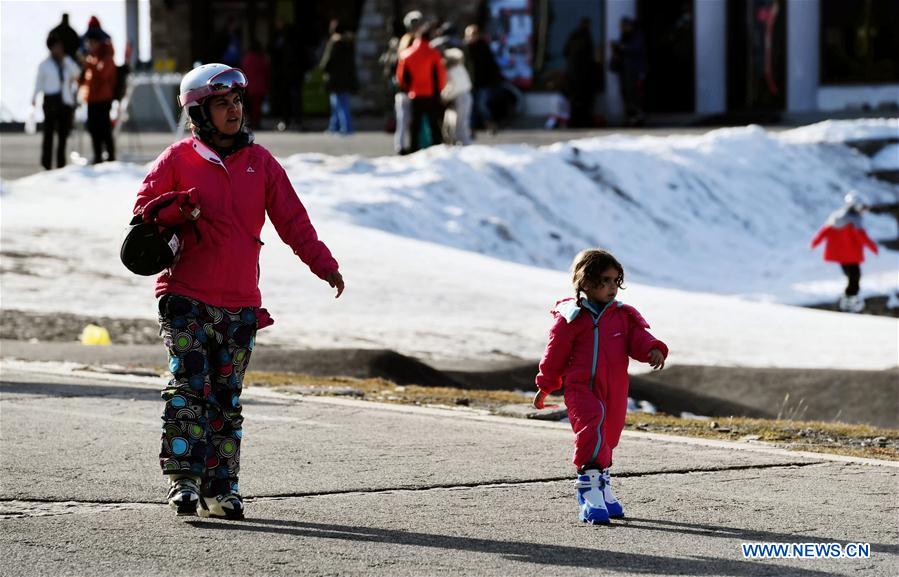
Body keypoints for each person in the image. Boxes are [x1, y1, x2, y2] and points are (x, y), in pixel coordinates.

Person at [132, 63, 345, 519]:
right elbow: (142, 220)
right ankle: (184, 479)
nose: (234, 111)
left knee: (227, 399)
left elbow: (294, 221)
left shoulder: (260, 163)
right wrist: (175, 212)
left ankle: (221, 489)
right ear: (198, 112)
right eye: (222, 104)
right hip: (184, 296)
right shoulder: (176, 159)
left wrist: (324, 265)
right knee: (190, 387)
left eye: (237, 101)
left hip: (240, 306)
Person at [533, 249, 667, 524]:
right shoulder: (571, 317)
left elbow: (639, 338)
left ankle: (602, 484)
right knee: (592, 425)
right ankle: (588, 488)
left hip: (614, 389)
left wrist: (652, 349)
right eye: (604, 281)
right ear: (585, 281)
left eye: (615, 281)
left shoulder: (622, 316)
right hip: (581, 388)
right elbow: (554, 354)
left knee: (608, 435)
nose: (612, 287)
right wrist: (546, 385)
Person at [810, 192, 879, 313]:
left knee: (852, 278)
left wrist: (814, 243)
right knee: (855, 278)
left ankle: (847, 301)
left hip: (841, 257)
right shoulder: (855, 221)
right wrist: (874, 248)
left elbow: (823, 232)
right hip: (852, 256)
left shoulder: (836, 218)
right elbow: (863, 237)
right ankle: (848, 302)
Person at [33, 33, 81, 170]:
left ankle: (61, 165)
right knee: (48, 134)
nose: (59, 49)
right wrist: (34, 97)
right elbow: (39, 83)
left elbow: (77, 74)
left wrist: (67, 61)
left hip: (65, 101)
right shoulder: (44, 65)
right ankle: (46, 164)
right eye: (56, 47)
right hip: (50, 100)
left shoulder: (66, 62)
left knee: (63, 134)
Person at [396, 22, 446, 152]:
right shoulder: (433, 53)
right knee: (434, 123)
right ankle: (437, 148)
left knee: (415, 125)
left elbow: (401, 77)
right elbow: (440, 74)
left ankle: (414, 149)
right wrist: (440, 90)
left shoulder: (406, 54)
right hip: (431, 94)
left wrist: (408, 89)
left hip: (415, 93)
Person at [81, 21, 117, 164]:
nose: (89, 45)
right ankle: (98, 155)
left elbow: (103, 75)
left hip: (103, 98)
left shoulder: (106, 57)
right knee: (93, 128)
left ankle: (110, 155)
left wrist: (89, 65)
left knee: (104, 128)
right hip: (92, 98)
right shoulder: (92, 57)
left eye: (92, 43)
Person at [319, 19, 358, 135]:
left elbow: (327, 61)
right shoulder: (349, 42)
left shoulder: (334, 43)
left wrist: (322, 68)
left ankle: (345, 127)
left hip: (335, 78)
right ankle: (335, 126)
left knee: (338, 103)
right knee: (341, 103)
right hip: (346, 77)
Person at [464, 24, 503, 132]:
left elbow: (491, 65)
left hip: (483, 82)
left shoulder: (483, 47)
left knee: (482, 105)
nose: (470, 37)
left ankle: (490, 123)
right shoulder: (465, 48)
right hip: (470, 83)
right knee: (471, 106)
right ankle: (471, 128)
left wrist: (493, 80)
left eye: (473, 35)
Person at [610, 17, 647, 127]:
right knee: (626, 94)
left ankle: (638, 117)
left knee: (635, 95)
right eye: (621, 27)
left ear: (629, 26)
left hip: (634, 71)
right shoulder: (623, 37)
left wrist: (622, 47)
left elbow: (636, 49)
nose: (622, 29)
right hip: (624, 71)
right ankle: (630, 117)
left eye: (624, 26)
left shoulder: (637, 36)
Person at [563, 19, 598, 128]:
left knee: (576, 100)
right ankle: (581, 122)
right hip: (582, 76)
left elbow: (565, 52)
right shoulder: (584, 38)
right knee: (582, 100)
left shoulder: (575, 37)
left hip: (575, 75)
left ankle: (576, 122)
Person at [440, 47, 473, 146]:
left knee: (459, 124)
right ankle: (462, 143)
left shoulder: (450, 69)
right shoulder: (459, 66)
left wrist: (444, 97)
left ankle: (464, 145)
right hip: (466, 95)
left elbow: (453, 87)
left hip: (458, 97)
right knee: (461, 123)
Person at [240, 39, 270, 129]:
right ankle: (256, 123)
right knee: (257, 106)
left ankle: (251, 122)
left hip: (249, 85)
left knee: (249, 106)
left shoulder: (247, 58)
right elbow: (265, 70)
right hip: (260, 85)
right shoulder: (261, 58)